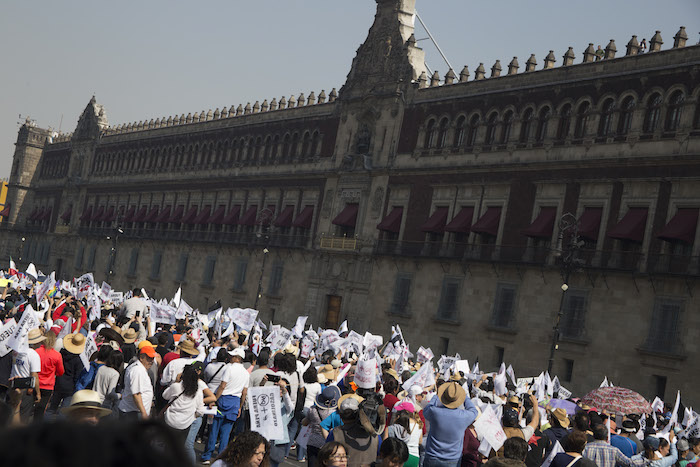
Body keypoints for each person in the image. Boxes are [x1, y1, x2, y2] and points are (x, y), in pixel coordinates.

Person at [202, 347, 250, 464]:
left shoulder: (229, 368)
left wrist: (214, 399)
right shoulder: (246, 373)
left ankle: (207, 455)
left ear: (237, 358)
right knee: (226, 433)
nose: (230, 357)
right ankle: (221, 458)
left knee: (214, 429)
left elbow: (222, 386)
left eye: (232, 356)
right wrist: (240, 406)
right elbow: (244, 392)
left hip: (223, 399)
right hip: (235, 402)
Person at [163, 363, 215, 464]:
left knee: (168, 446)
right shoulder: (198, 391)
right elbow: (200, 411)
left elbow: (165, 395)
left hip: (170, 421)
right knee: (180, 448)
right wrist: (191, 416)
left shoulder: (176, 387)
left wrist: (176, 382)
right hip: (185, 424)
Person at [422, 381, 478, 467]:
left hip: (432, 457)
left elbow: (428, 408)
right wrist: (465, 397)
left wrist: (437, 395)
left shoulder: (434, 412)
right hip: (453, 460)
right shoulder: (464, 416)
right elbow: (474, 411)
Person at [9, 327, 44, 423]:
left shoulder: (16, 350)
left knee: (11, 413)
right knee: (23, 416)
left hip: (13, 384)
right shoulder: (33, 354)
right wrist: (38, 393)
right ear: (36, 342)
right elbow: (34, 375)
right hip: (25, 388)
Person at [48, 331, 86, 415]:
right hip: (69, 387)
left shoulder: (61, 353)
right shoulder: (78, 360)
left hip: (58, 383)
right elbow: (77, 376)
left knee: (51, 409)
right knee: (63, 412)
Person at [307, 385, 342, 467]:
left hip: (313, 441)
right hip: (328, 443)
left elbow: (305, 422)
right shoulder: (335, 413)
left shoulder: (313, 409)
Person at [33, 328, 64, 421]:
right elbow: (60, 372)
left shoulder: (36, 352)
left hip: (35, 383)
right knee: (41, 410)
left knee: (30, 409)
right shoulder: (57, 355)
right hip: (48, 386)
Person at [118, 345, 156, 419]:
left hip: (134, 411)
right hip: (133, 413)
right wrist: (144, 413)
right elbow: (136, 394)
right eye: (149, 358)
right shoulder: (138, 370)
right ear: (141, 358)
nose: (152, 361)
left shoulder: (138, 368)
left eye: (153, 358)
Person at [385, 402, 422, 467]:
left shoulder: (399, 425)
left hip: (401, 456)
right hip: (415, 457)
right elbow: (420, 442)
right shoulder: (418, 425)